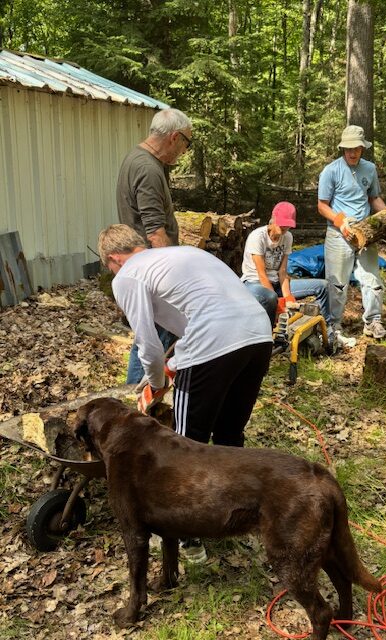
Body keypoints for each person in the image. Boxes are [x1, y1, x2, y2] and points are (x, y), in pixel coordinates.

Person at [98, 224, 273, 562]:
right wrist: (176, 363)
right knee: (228, 432)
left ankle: (186, 535)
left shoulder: (127, 276)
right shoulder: (182, 254)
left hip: (217, 338)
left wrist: (156, 382)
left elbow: (147, 343)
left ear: (113, 259)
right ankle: (233, 514)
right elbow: (196, 316)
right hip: (257, 334)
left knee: (182, 444)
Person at [116, 107, 193, 383]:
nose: (184, 151)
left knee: (154, 336)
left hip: (146, 267)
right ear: (174, 137)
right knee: (152, 340)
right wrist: (174, 280)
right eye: (187, 143)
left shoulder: (138, 160)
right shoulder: (148, 168)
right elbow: (155, 232)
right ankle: (135, 401)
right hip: (153, 270)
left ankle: (144, 400)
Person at [317, 125, 386, 343]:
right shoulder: (331, 171)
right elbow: (322, 206)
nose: (352, 153)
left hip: (365, 231)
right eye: (348, 149)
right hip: (338, 233)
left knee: (371, 278)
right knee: (337, 283)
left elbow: (374, 198)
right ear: (343, 148)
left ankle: (373, 321)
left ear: (362, 148)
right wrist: (340, 222)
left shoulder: (369, 169)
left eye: (356, 149)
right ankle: (334, 325)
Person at [241, 201, 336, 348]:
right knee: (271, 298)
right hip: (254, 283)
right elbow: (261, 274)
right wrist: (279, 303)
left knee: (322, 286)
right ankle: (267, 340)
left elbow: (283, 272)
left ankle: (329, 332)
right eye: (281, 224)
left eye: (288, 225)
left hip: (277, 283)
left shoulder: (288, 237)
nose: (285, 228)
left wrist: (287, 298)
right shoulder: (257, 237)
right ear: (273, 219)